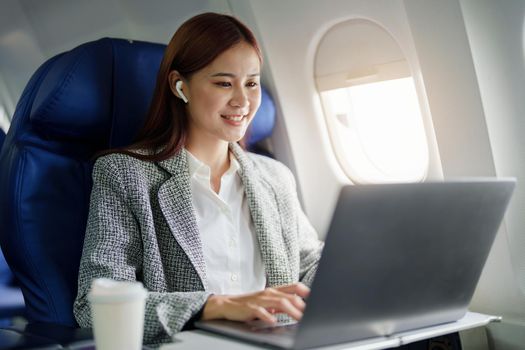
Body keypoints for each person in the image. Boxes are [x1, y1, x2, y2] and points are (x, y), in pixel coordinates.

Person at [73, 12, 324, 346]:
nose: (243, 100)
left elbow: (311, 266)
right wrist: (213, 307)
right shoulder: (124, 175)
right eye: (224, 83)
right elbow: (95, 306)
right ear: (180, 86)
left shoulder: (275, 178)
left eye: (251, 82)